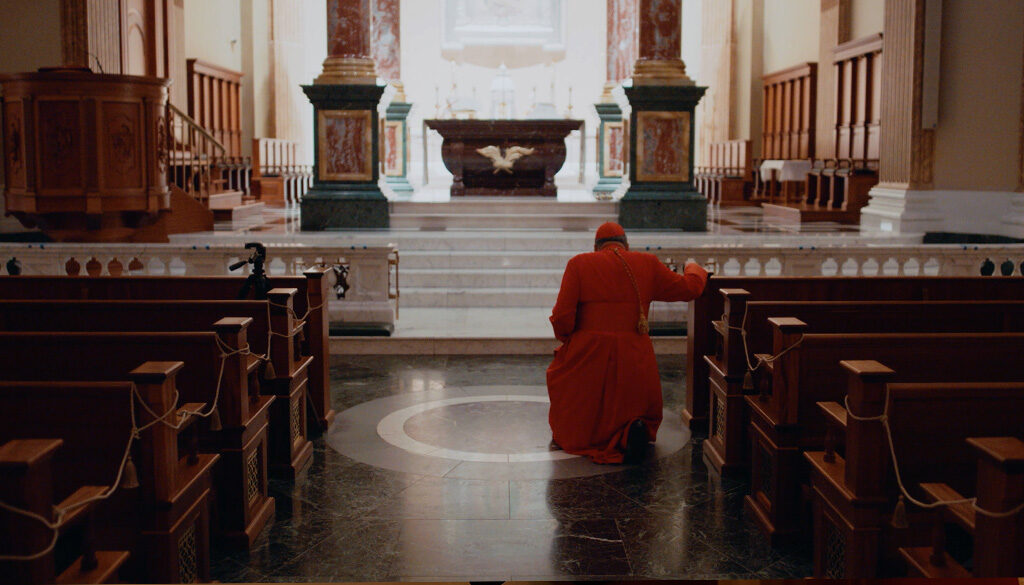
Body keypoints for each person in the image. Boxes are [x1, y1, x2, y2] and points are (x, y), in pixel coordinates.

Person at [546, 222, 708, 464]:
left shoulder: (579, 264)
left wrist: (570, 340)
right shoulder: (647, 263)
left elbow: (562, 317)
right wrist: (693, 266)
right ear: (626, 245)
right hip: (633, 352)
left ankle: (587, 433)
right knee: (631, 397)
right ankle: (630, 430)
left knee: (566, 379)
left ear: (595, 247)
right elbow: (690, 288)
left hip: (589, 350)